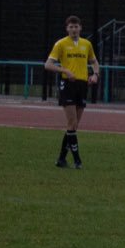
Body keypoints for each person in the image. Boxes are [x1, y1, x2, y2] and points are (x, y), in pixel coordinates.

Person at [44, 15, 100, 169]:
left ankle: (61, 159)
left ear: (80, 28)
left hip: (82, 85)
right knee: (72, 123)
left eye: (76, 27)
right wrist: (64, 70)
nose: (74, 29)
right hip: (67, 84)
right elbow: (47, 64)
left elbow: (94, 61)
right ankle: (77, 160)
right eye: (71, 27)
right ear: (67, 28)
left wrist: (95, 74)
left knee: (73, 126)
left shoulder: (86, 44)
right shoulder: (61, 44)